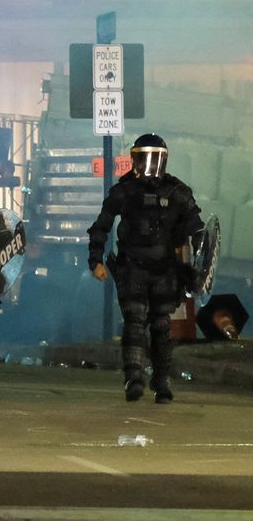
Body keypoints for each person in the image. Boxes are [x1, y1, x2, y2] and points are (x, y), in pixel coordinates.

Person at [88, 133, 206, 403]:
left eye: (154, 158)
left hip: (165, 271)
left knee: (161, 326)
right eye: (143, 158)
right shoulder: (124, 191)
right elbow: (100, 227)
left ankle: (161, 382)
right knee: (134, 321)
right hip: (132, 268)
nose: (149, 164)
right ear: (134, 160)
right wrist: (95, 261)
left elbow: (198, 231)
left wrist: (201, 266)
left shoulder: (177, 192)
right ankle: (134, 377)